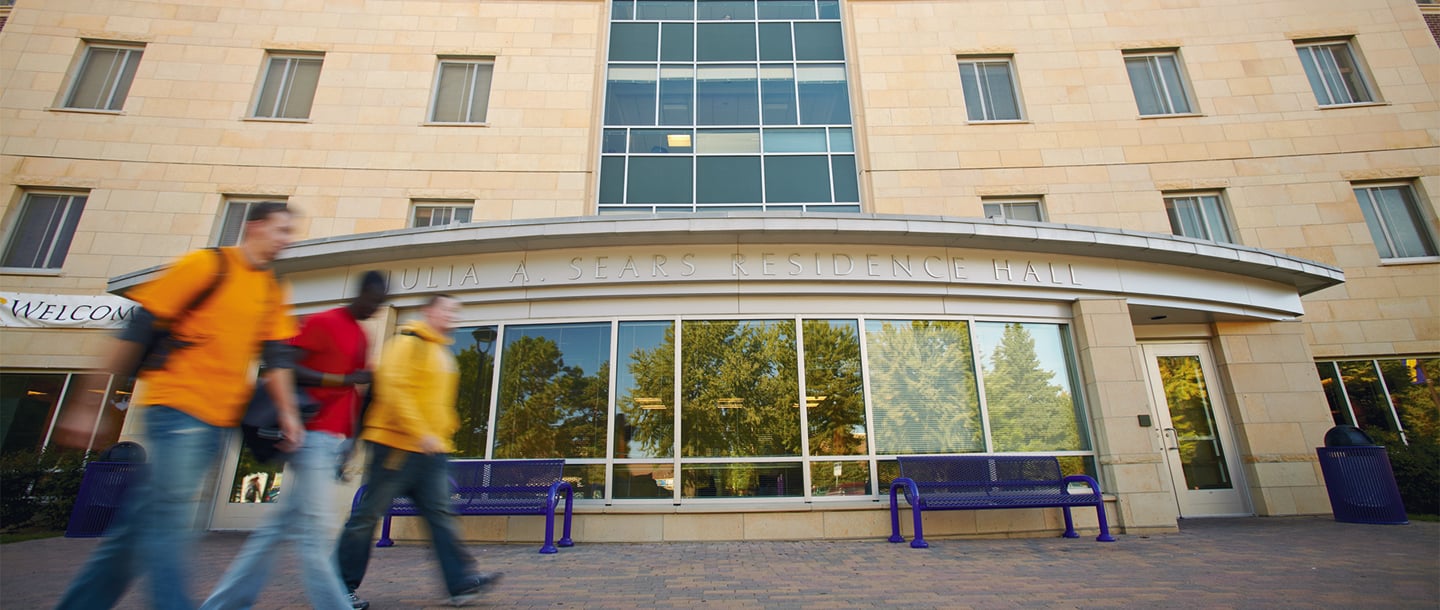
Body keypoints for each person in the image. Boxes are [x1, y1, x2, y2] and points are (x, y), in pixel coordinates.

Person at [55, 201, 301, 610]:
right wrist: (87, 402)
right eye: (280, 230)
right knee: (169, 521)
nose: (286, 240)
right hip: (177, 408)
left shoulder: (271, 290)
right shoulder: (205, 266)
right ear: (254, 227)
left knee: (138, 530)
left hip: (218, 420)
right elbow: (137, 330)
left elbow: (277, 361)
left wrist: (289, 415)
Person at [201, 271, 389, 610]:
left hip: (333, 439)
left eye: (380, 305)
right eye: (373, 302)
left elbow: (357, 394)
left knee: (275, 531)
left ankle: (221, 605)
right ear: (361, 293)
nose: (374, 310)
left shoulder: (362, 337)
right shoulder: (323, 322)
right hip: (310, 433)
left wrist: (350, 443)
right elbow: (287, 366)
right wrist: (340, 379)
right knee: (316, 532)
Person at [335, 294, 502, 608]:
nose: (452, 315)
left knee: (440, 516)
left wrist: (445, 430)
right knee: (367, 516)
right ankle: (339, 587)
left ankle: (460, 583)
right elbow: (394, 389)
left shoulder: (441, 351)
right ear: (430, 311)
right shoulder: (408, 341)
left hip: (429, 453)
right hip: (396, 448)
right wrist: (421, 431)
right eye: (447, 309)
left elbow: (436, 403)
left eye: (456, 310)